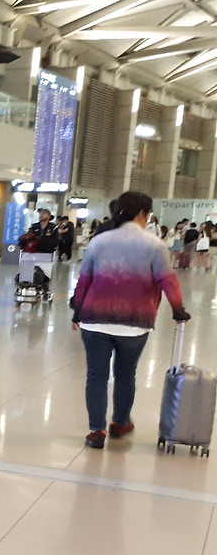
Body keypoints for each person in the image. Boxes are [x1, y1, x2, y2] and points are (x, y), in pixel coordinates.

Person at [71, 191, 188, 449]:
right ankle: (120, 423)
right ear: (142, 214)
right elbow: (168, 281)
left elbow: (84, 280)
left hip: (94, 320)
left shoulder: (99, 242)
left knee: (96, 375)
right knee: (125, 374)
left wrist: (77, 312)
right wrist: (178, 311)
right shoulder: (154, 245)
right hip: (135, 323)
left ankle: (97, 430)